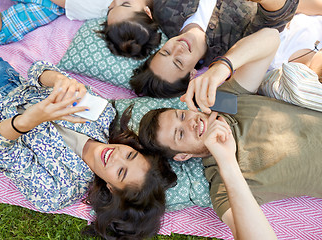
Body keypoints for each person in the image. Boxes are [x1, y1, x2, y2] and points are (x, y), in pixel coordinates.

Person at [0, 27, 176, 239]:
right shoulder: (102, 114)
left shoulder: (57, 192)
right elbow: (37, 71)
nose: (116, 156)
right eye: (130, 155)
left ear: (111, 189)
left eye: (121, 172)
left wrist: (31, 119)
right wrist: (58, 80)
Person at [135, 27, 322, 239]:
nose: (191, 123)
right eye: (180, 134)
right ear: (183, 155)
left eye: (182, 115)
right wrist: (227, 161)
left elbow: (271, 38)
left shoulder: (222, 102)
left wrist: (222, 68)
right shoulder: (222, 184)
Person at [129, 0, 299, 98]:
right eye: (179, 62)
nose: (177, 49)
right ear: (192, 75)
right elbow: (276, 18)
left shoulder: (163, 11)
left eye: (165, 52)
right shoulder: (235, 47)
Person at [0, 0, 161, 59]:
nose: (114, 2)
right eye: (125, 3)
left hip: (51, 3)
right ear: (147, 12)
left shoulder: (94, 5)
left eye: (110, 10)